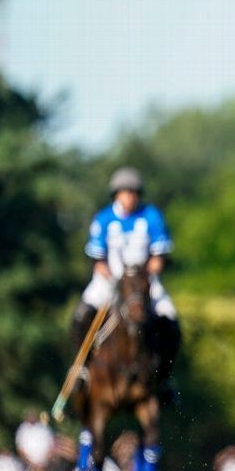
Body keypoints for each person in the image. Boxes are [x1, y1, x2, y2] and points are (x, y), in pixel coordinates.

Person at [74, 167, 181, 405]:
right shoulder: (103, 219)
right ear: (116, 195)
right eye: (125, 192)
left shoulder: (151, 216)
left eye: (133, 193)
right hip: (110, 281)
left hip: (143, 284)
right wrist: (115, 279)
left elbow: (158, 256)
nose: (130, 197)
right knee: (81, 315)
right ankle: (81, 369)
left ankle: (164, 378)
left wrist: (141, 278)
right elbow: (98, 260)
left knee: (171, 321)